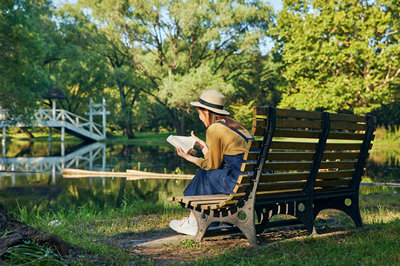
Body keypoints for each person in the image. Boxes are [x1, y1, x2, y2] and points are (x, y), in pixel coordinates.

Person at [169, 89, 254, 236]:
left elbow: (211, 166)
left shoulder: (214, 129)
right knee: (213, 173)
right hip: (254, 179)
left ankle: (193, 222)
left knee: (205, 173)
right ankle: (212, 219)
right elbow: (218, 163)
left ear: (206, 112)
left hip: (240, 182)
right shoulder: (235, 125)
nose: (201, 118)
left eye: (200, 114)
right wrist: (204, 147)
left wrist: (188, 157)